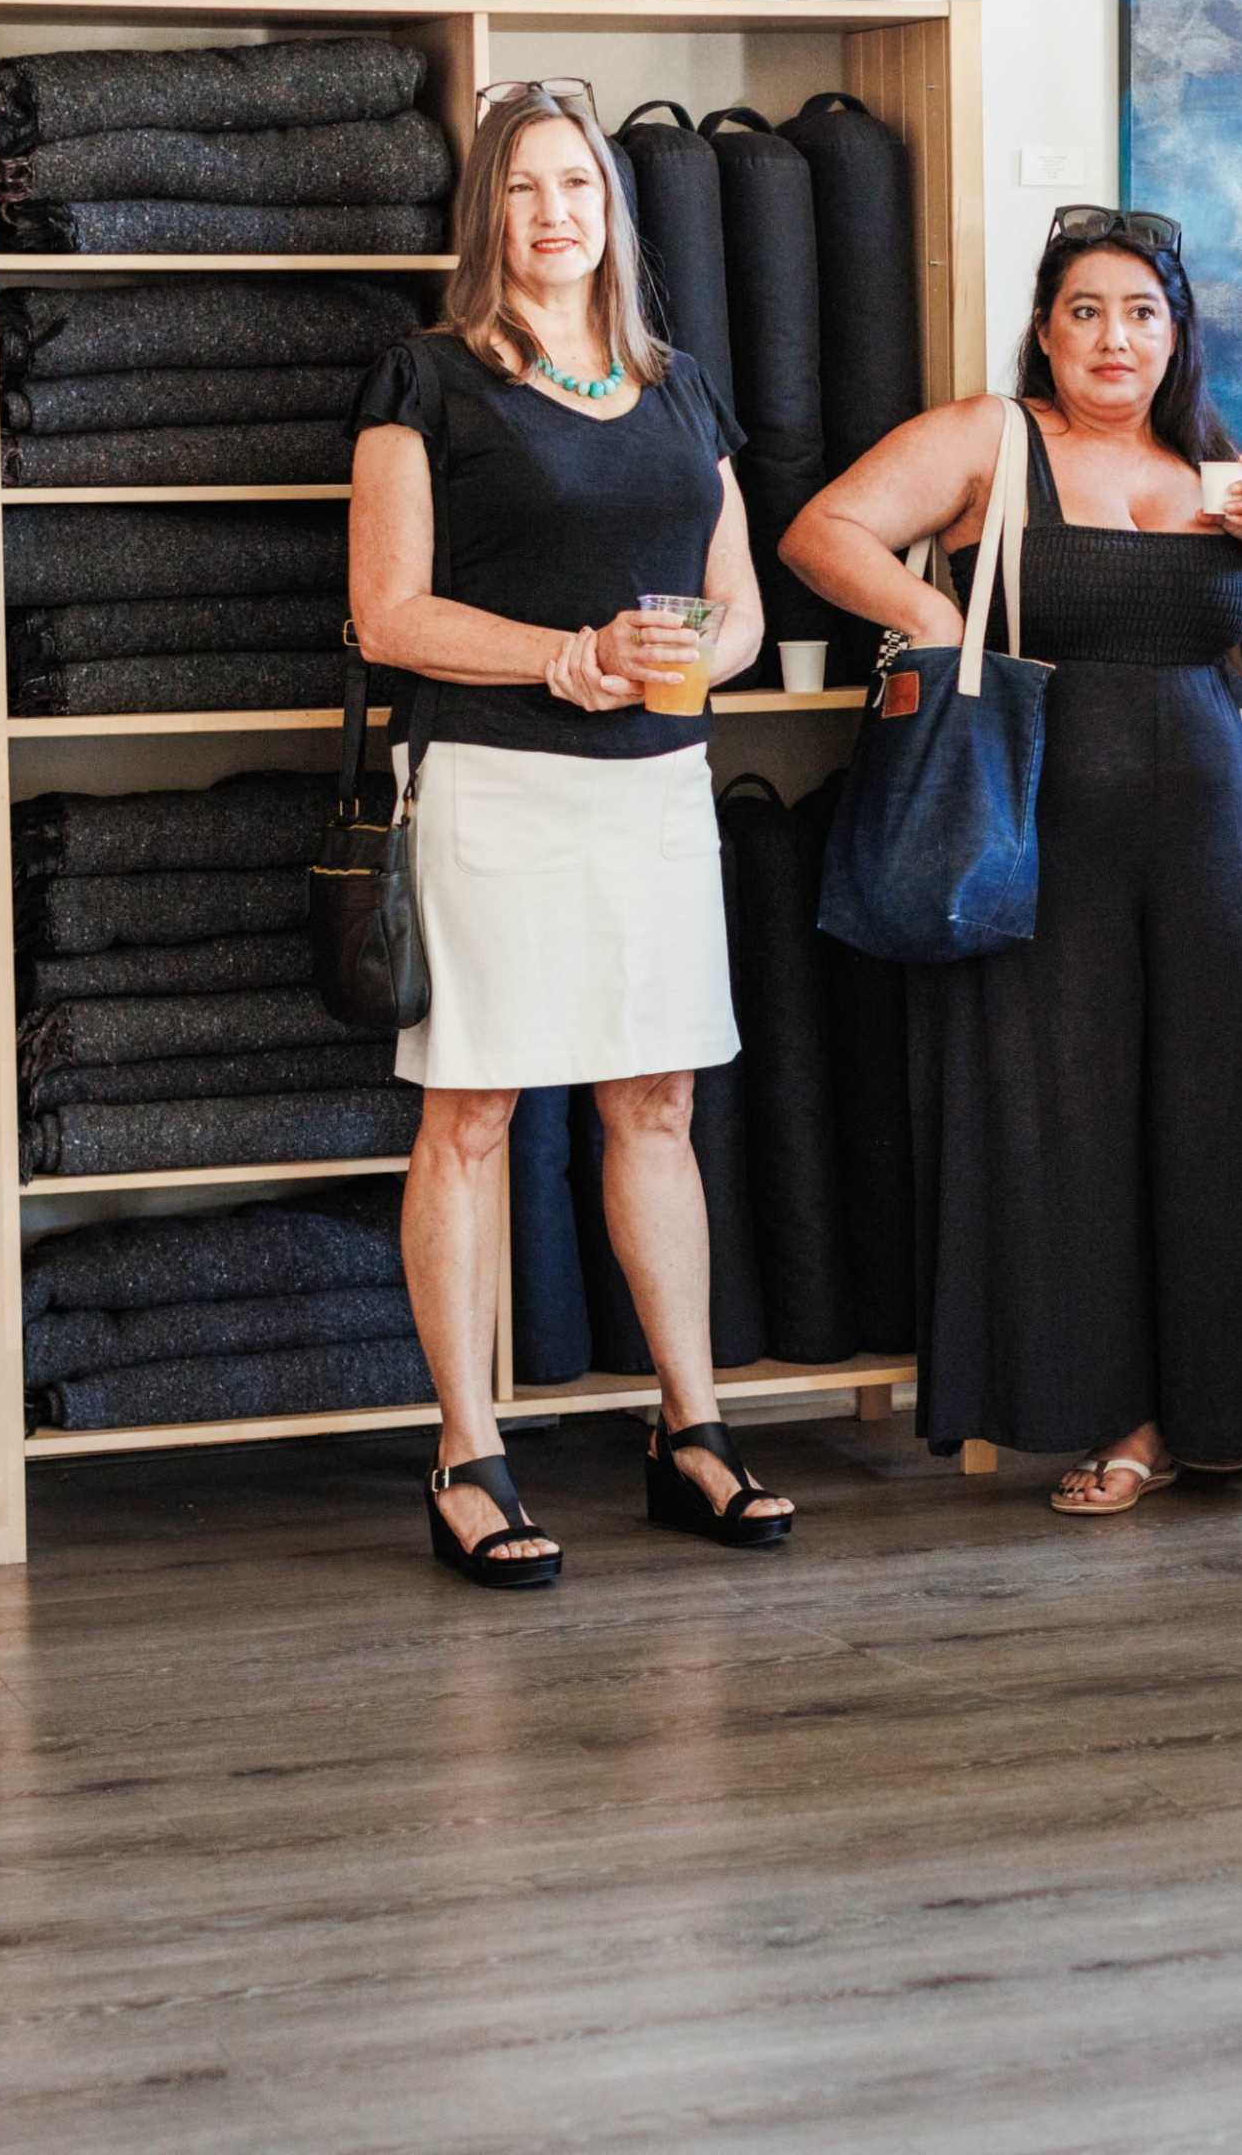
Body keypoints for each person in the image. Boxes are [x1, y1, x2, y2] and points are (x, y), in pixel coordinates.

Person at [785, 205, 1242, 1511]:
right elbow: (820, 533)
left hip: (1211, 839)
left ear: (1175, 336)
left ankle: (1222, 1410)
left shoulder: (1215, 466)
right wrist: (931, 611)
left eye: (1141, 312)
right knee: (1068, 1128)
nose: (1113, 336)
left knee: (1222, 1120)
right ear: (1045, 330)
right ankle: (1122, 1418)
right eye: (1085, 309)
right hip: (1035, 836)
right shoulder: (992, 438)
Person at [351, 82, 785, 1589]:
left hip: (655, 787)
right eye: (526, 189)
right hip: (496, 780)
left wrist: (688, 663)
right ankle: (468, 1453)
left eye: (580, 189)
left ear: (614, 213)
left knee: (653, 1103)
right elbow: (386, 612)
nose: (555, 214)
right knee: (470, 1114)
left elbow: (742, 611)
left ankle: (694, 1428)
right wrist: (561, 656)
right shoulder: (426, 379)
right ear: (487, 217)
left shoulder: (678, 386)